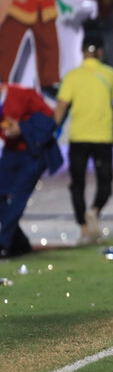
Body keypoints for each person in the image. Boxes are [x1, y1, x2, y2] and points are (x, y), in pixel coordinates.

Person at [53, 30, 113, 243]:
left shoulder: (72, 76)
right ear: (100, 52)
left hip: (79, 137)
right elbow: (112, 103)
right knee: (105, 184)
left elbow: (61, 108)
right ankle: (94, 211)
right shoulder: (110, 74)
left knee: (77, 184)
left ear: (82, 52)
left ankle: (83, 228)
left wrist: (49, 131)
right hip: (102, 137)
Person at [0, 81, 62, 257]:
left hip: (34, 153)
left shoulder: (24, 94)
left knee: (18, 196)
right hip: (11, 152)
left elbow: (50, 119)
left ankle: (3, 243)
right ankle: (19, 242)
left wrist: (22, 127)